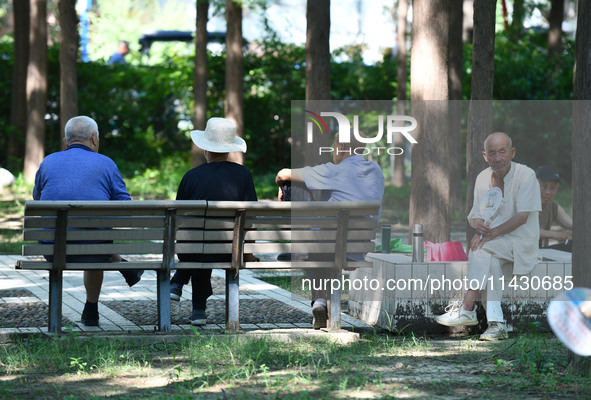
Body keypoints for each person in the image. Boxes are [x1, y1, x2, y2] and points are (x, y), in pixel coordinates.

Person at [33, 116, 142, 326]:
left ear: (66, 142)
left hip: (52, 248)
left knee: (91, 237)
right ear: (94, 138)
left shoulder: (48, 162)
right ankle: (91, 308)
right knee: (96, 239)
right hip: (95, 249)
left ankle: (121, 264)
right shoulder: (106, 163)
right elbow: (125, 206)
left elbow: (38, 198)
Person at [434, 132, 542, 341]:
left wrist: (488, 235)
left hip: (521, 243)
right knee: (489, 262)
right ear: (485, 156)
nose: (498, 158)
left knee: (481, 249)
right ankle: (496, 324)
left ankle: (467, 306)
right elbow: (474, 215)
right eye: (492, 153)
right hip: (494, 244)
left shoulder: (526, 175)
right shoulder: (483, 177)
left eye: (503, 152)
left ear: (512, 152)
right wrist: (479, 226)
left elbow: (522, 217)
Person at [275, 132, 385, 329]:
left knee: (295, 188)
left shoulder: (333, 171)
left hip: (324, 244)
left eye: (334, 147)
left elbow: (283, 173)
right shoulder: (376, 171)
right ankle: (322, 304)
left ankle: (319, 298)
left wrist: (282, 186)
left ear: (341, 148)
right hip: (356, 248)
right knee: (326, 242)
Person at [169, 118, 257, 326]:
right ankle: (190, 299)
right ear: (229, 150)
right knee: (206, 242)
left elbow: (178, 217)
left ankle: (190, 298)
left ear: (205, 149)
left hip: (192, 249)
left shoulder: (191, 176)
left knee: (198, 243)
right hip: (230, 248)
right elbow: (251, 215)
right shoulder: (243, 174)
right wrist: (248, 251)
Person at [536, 166, 572, 252]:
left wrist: (570, 234)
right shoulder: (526, 201)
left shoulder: (552, 206)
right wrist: (555, 235)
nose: (548, 192)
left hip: (541, 252)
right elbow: (527, 231)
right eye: (544, 186)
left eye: (552, 188)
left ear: (557, 189)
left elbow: (572, 225)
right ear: (535, 184)